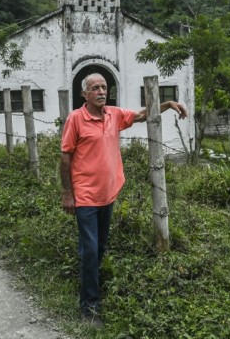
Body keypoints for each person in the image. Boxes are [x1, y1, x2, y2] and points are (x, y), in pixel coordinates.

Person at [60, 73, 187, 329]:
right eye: (94, 88)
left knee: (99, 247)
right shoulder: (76, 118)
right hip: (85, 196)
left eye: (104, 87)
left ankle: (87, 276)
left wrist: (167, 104)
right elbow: (65, 157)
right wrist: (67, 193)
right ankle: (90, 307)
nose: (100, 91)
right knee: (91, 248)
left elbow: (140, 115)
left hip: (108, 195)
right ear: (84, 94)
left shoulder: (113, 115)